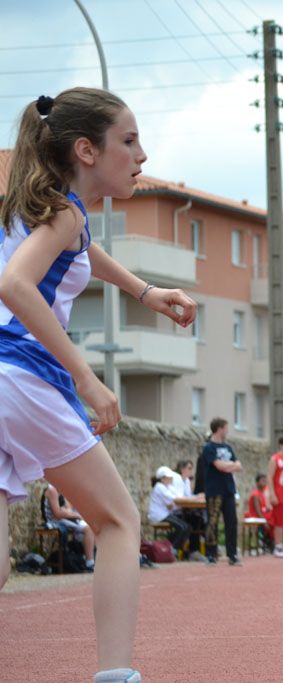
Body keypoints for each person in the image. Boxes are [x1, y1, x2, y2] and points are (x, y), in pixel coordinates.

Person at [0, 87, 196, 682]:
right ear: (86, 150)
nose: (142, 154)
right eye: (128, 141)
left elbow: (83, 247)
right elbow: (15, 284)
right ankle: (116, 675)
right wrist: (86, 378)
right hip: (20, 373)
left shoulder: (41, 208)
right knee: (117, 522)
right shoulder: (63, 213)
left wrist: (144, 291)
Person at [198, 417, 243, 566]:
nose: (227, 431)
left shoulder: (228, 448)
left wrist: (229, 466)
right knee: (213, 522)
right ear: (219, 429)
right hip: (214, 490)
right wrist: (230, 466)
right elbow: (219, 466)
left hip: (229, 489)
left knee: (231, 522)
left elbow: (239, 465)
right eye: (226, 428)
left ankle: (232, 554)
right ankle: (211, 554)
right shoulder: (209, 448)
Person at [147, 466, 202, 556]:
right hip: (159, 516)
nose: (171, 479)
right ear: (162, 479)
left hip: (166, 514)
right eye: (169, 477)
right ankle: (171, 549)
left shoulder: (167, 487)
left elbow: (178, 498)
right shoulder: (159, 487)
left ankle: (170, 547)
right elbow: (176, 499)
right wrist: (195, 498)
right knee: (183, 527)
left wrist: (193, 497)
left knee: (187, 527)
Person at [43, 482, 96, 571]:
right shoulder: (52, 490)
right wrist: (76, 515)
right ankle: (89, 563)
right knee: (88, 529)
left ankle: (90, 557)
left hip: (64, 518)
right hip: (55, 521)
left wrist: (67, 512)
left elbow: (69, 508)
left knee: (93, 525)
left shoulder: (61, 488)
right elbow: (57, 514)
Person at [171, 459, 206, 560]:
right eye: (189, 468)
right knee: (194, 521)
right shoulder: (176, 479)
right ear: (182, 469)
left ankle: (194, 550)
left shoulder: (186, 481)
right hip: (174, 511)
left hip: (183, 510)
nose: (191, 471)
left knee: (198, 520)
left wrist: (196, 497)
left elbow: (188, 496)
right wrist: (196, 498)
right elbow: (179, 498)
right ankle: (190, 550)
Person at [246, 473, 274, 552]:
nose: (265, 482)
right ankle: (265, 541)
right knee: (270, 523)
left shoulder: (263, 493)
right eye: (263, 481)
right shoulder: (255, 494)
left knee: (275, 519)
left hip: (263, 515)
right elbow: (258, 510)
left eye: (265, 481)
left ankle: (270, 542)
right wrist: (264, 522)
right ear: (257, 483)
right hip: (256, 516)